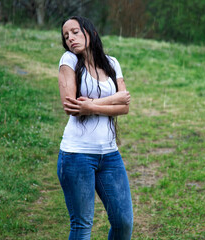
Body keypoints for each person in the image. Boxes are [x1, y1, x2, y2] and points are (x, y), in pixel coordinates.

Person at [57, 16, 133, 240]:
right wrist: (113, 99)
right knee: (82, 226)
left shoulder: (112, 63)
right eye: (66, 36)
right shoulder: (69, 60)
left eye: (75, 32)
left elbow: (125, 106)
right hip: (76, 156)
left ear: (90, 32)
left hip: (109, 155)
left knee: (123, 222)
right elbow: (72, 105)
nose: (70, 38)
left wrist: (91, 105)